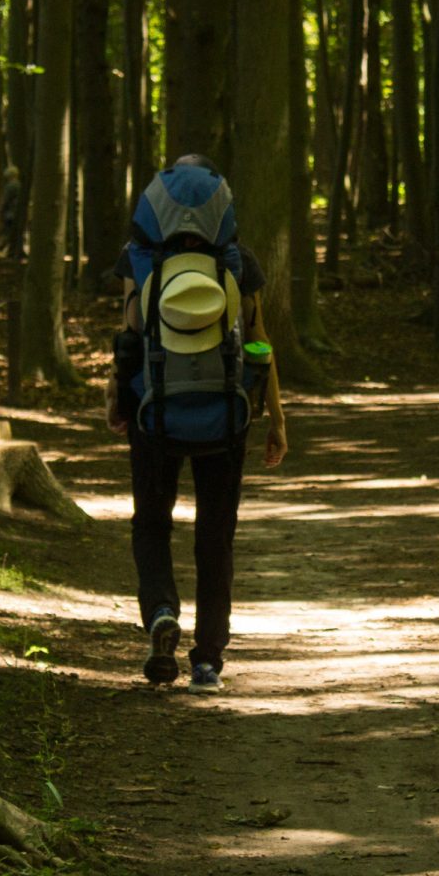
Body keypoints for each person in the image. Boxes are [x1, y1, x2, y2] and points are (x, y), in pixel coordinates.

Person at [107, 155, 287, 692]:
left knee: (151, 523)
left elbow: (129, 336)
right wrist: (276, 417)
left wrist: (116, 397)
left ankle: (161, 611)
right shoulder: (238, 262)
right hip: (226, 414)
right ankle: (207, 659)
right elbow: (260, 344)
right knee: (216, 534)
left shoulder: (138, 260)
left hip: (154, 410)